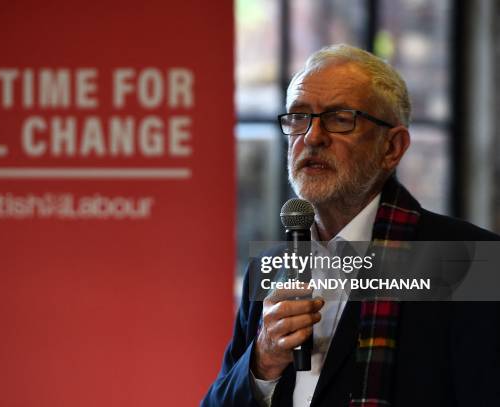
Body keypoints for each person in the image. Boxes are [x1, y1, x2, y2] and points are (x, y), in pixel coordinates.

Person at [202, 44, 500, 407]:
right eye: (298, 117)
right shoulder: (268, 270)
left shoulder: (471, 263)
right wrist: (262, 361)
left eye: (340, 118)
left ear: (392, 147)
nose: (311, 137)